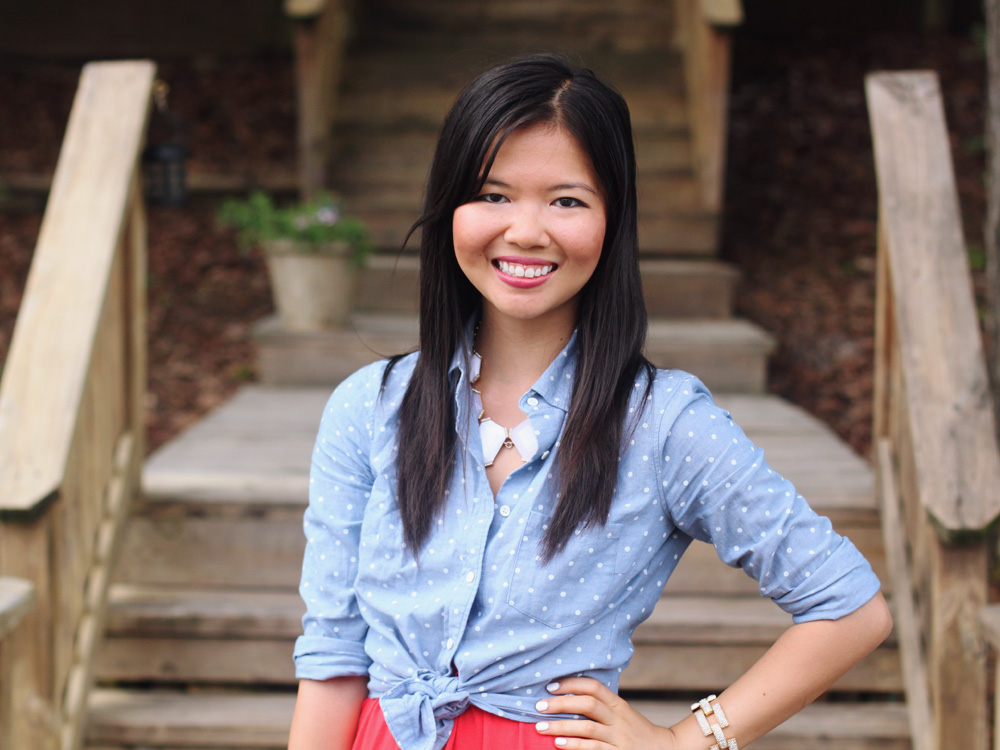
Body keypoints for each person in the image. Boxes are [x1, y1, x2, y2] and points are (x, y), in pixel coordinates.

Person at [287, 54, 892, 750]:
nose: (525, 230)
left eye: (567, 200)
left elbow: (850, 607)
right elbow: (333, 658)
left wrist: (687, 739)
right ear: (449, 207)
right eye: (492, 194)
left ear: (613, 220)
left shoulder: (662, 424)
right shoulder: (371, 407)